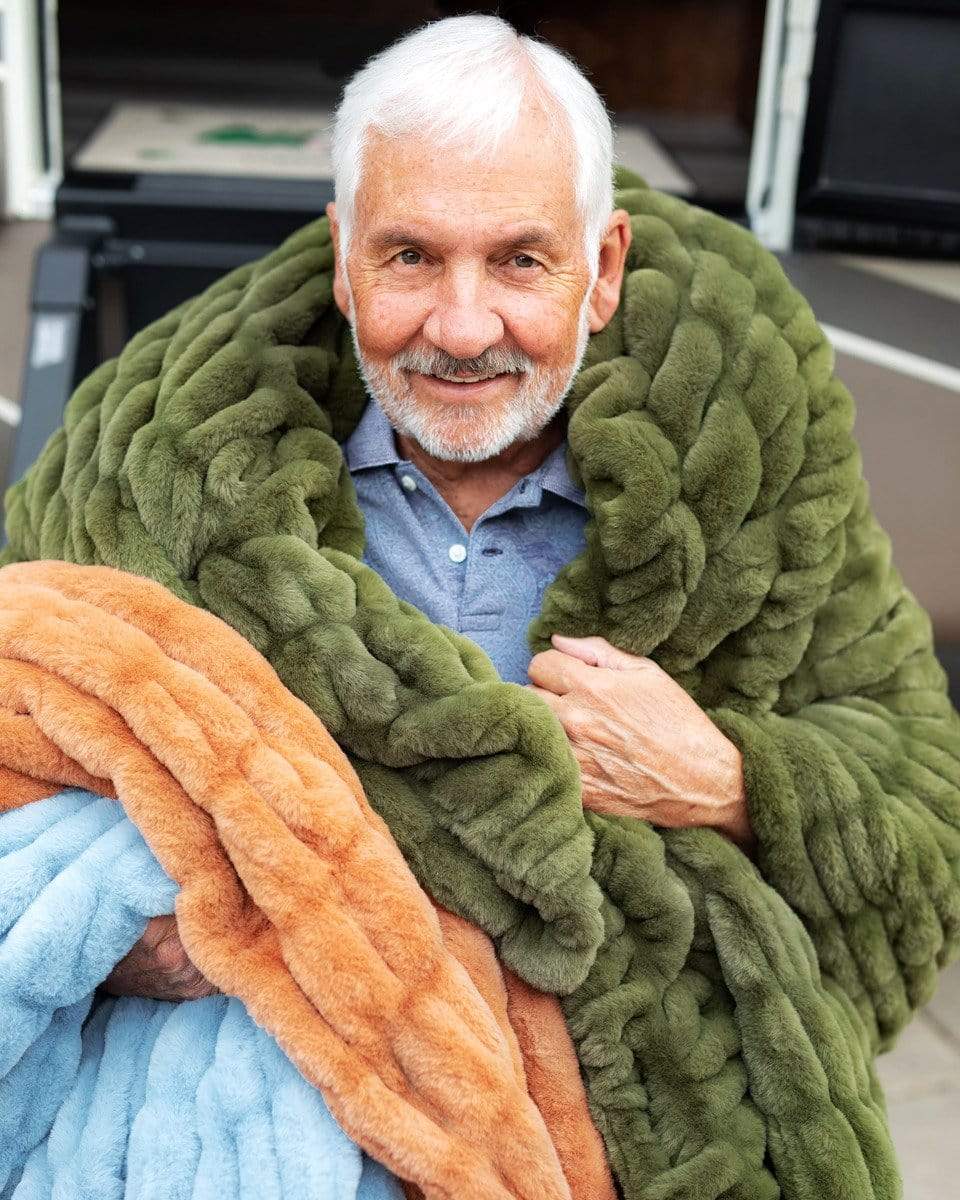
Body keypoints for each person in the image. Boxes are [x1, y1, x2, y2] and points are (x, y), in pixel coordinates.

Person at [99, 14, 779, 999]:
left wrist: (730, 787)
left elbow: (915, 820)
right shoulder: (181, 496)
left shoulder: (740, 506)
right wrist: (109, 942)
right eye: (411, 256)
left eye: (520, 260)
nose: (463, 331)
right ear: (344, 260)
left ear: (605, 270)